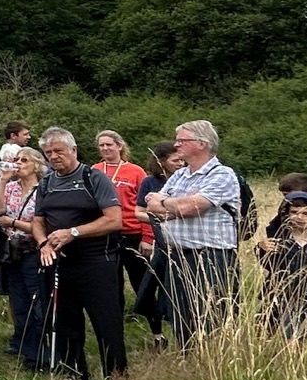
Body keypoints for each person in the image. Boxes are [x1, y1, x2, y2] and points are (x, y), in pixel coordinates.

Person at [32, 128, 127, 380]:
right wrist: (43, 244)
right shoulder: (46, 183)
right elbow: (37, 221)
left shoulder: (94, 178)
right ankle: (76, 378)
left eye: (59, 151)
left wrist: (74, 233)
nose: (54, 156)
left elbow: (114, 220)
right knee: (66, 325)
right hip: (60, 263)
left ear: (73, 150)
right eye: (48, 152)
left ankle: (116, 379)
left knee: (106, 323)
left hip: (97, 261)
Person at [146, 121, 242, 348]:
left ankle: (216, 364)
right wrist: (176, 205)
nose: (176, 144)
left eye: (182, 140)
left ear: (201, 143)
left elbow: (188, 208)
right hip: (179, 256)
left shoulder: (222, 175)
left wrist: (169, 203)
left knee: (212, 317)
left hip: (210, 257)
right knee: (181, 317)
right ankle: (188, 359)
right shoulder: (180, 176)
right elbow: (151, 207)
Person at [256, 191, 307, 351]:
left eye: (306, 213)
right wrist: (261, 249)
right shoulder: (279, 239)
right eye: (294, 212)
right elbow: (268, 266)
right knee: (275, 341)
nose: (299, 217)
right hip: (281, 296)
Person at [0, 144, 45, 365]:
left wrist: (13, 222)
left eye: (24, 161)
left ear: (36, 166)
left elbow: (43, 227)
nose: (18, 164)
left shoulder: (43, 190)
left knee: (36, 299)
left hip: (33, 251)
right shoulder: (10, 187)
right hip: (11, 252)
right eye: (17, 160)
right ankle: (24, 344)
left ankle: (40, 350)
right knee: (18, 301)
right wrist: (2, 180)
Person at [94, 131, 156, 339]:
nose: (105, 149)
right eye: (101, 145)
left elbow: (146, 207)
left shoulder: (135, 171)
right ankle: (115, 331)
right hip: (106, 235)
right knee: (112, 286)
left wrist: (148, 238)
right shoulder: (95, 170)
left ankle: (157, 332)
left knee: (142, 284)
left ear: (120, 146)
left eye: (109, 145)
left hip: (133, 234)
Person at [131, 140, 180, 344]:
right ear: (161, 162)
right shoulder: (150, 182)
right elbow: (139, 212)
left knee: (178, 291)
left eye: (181, 159)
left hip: (181, 242)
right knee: (152, 288)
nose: (180, 163)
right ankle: (157, 335)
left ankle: (182, 335)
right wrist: (161, 217)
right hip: (160, 241)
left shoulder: (186, 179)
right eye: (175, 160)